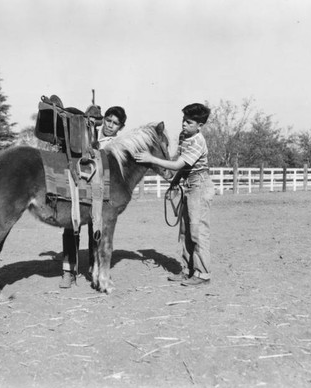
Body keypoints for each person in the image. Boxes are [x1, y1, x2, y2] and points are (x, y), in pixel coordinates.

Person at [134, 103, 215, 286]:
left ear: (200, 125)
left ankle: (203, 274)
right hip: (189, 185)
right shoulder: (184, 137)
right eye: (183, 121)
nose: (184, 125)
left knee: (198, 231)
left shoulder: (198, 141)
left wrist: (151, 159)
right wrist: (175, 183)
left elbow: (178, 164)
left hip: (199, 186)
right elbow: (182, 166)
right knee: (185, 231)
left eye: (189, 122)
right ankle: (188, 270)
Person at [59, 106, 127, 288]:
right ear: (103, 119)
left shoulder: (118, 144)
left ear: (120, 127)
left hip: (100, 190)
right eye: (108, 120)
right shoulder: (89, 132)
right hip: (80, 185)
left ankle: (93, 266)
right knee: (71, 223)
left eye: (115, 123)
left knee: (95, 228)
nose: (110, 125)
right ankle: (69, 270)